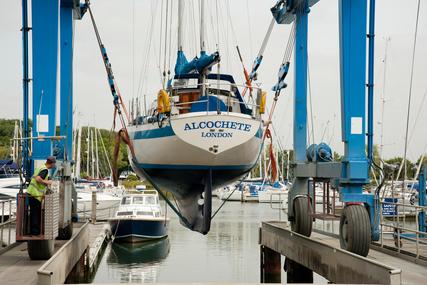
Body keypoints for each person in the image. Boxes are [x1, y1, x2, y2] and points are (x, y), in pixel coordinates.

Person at [26, 156, 56, 235]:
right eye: (54, 164)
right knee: (36, 214)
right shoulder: (45, 170)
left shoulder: (40, 167)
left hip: (31, 192)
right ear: (52, 163)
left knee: (33, 213)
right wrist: (47, 183)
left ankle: (33, 231)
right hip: (35, 194)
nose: (54, 166)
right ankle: (35, 232)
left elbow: (36, 177)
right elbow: (38, 178)